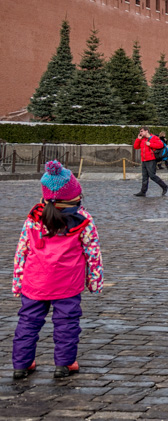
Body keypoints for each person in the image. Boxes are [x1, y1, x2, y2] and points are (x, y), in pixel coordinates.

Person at [11, 161, 103, 379]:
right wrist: (94, 281)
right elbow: (93, 253)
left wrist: (17, 282)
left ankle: (21, 365)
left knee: (28, 322)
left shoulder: (33, 219)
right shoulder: (84, 220)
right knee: (67, 325)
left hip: (35, 282)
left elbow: (21, 252)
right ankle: (64, 363)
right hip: (68, 283)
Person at [133, 127, 168, 197]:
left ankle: (164, 186)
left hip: (151, 159)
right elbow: (135, 147)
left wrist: (150, 144)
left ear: (146, 131)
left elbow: (160, 145)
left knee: (152, 175)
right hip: (144, 160)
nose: (140, 133)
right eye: (140, 131)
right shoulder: (142, 139)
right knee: (144, 176)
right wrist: (138, 139)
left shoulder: (154, 138)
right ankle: (143, 191)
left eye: (142, 131)